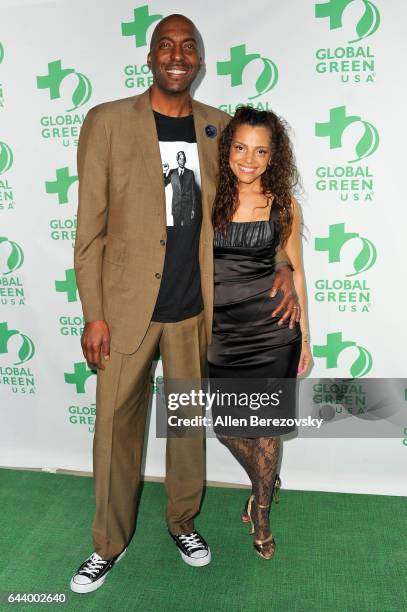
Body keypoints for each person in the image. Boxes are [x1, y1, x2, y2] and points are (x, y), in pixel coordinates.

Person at [70, 14, 300, 593]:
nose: (177, 55)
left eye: (188, 46)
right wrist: (92, 311)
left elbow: (260, 202)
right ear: (150, 58)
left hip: (198, 308)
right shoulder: (107, 122)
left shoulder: (220, 129)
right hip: (125, 308)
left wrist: (283, 264)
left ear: (199, 60)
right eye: (165, 46)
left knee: (186, 426)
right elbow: (89, 230)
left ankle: (183, 522)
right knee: (114, 428)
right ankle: (108, 543)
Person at [208, 106, 312, 560]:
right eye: (240, 147)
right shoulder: (207, 199)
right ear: (228, 149)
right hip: (220, 332)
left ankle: (263, 512)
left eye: (260, 150)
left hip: (274, 332)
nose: (249, 158)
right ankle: (265, 480)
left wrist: (305, 337)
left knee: (265, 430)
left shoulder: (284, 205)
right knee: (226, 424)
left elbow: (297, 271)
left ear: (273, 157)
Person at [163, 150, 199, 226]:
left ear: (185, 160)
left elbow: (193, 192)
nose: (182, 161)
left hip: (187, 209)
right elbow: (163, 184)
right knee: (176, 231)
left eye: (183, 159)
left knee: (187, 232)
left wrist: (193, 209)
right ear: (177, 160)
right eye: (180, 159)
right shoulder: (172, 172)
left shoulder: (190, 173)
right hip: (176, 208)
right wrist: (164, 171)